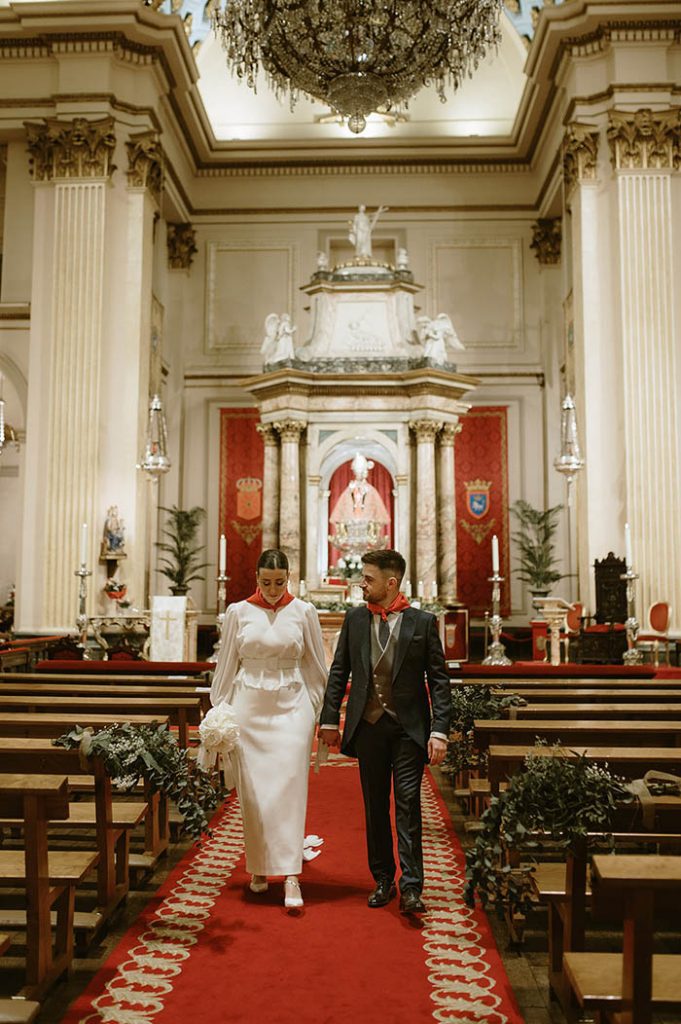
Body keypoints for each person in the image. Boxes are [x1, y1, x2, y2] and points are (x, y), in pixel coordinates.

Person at [318, 549, 451, 915]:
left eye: (369, 578)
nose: (362, 583)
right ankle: (382, 879)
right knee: (375, 806)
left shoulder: (423, 623)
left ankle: (411, 887)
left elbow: (439, 681)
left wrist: (439, 730)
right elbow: (339, 672)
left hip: (409, 729)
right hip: (370, 728)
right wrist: (330, 719)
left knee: (407, 804)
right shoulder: (355, 620)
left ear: (391, 583)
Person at [210, 549, 327, 910]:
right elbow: (227, 662)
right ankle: (259, 868)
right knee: (255, 794)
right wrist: (219, 711)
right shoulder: (238, 612)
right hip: (249, 709)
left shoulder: (304, 611)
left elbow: (316, 665)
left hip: (293, 709)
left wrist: (320, 712)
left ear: (289, 577)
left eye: (279, 582)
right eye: (266, 582)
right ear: (256, 578)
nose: (273, 589)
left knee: (290, 790)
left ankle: (291, 874)